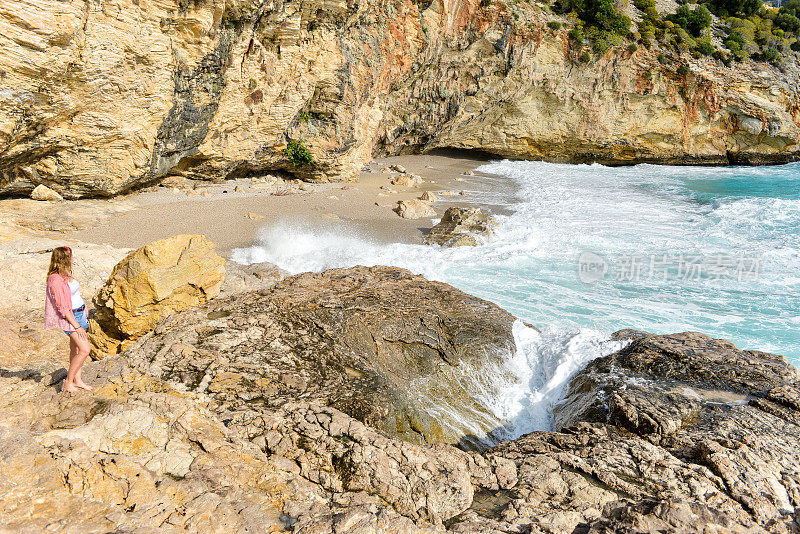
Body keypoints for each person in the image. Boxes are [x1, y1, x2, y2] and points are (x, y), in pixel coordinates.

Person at [45, 246, 93, 393]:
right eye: (70, 256)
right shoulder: (55, 279)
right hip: (70, 318)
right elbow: (62, 307)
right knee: (85, 350)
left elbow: (74, 294)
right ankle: (68, 382)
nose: (73, 259)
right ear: (65, 259)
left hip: (80, 313)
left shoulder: (66, 273)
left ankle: (77, 380)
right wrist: (76, 326)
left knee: (76, 349)